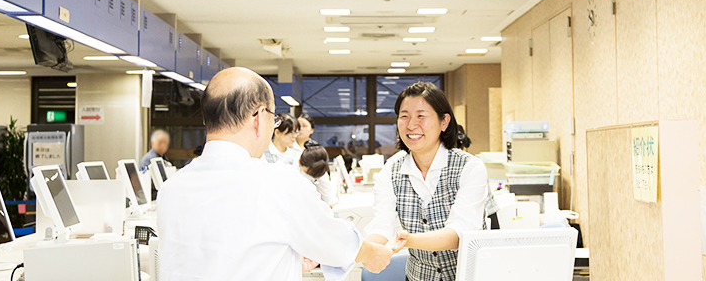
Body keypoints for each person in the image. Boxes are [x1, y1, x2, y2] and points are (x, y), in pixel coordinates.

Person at [156, 67, 393, 280]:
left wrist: (280, 259)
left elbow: (211, 258)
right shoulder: (279, 184)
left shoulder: (172, 187)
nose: (273, 126)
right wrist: (374, 253)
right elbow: (337, 243)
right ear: (260, 118)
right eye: (274, 119)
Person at [364, 82, 496, 281]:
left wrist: (408, 241)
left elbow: (459, 234)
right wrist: (367, 249)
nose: (411, 125)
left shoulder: (470, 167)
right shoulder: (390, 171)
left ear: (444, 122)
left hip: (470, 276)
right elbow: (382, 225)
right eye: (404, 116)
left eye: (421, 116)